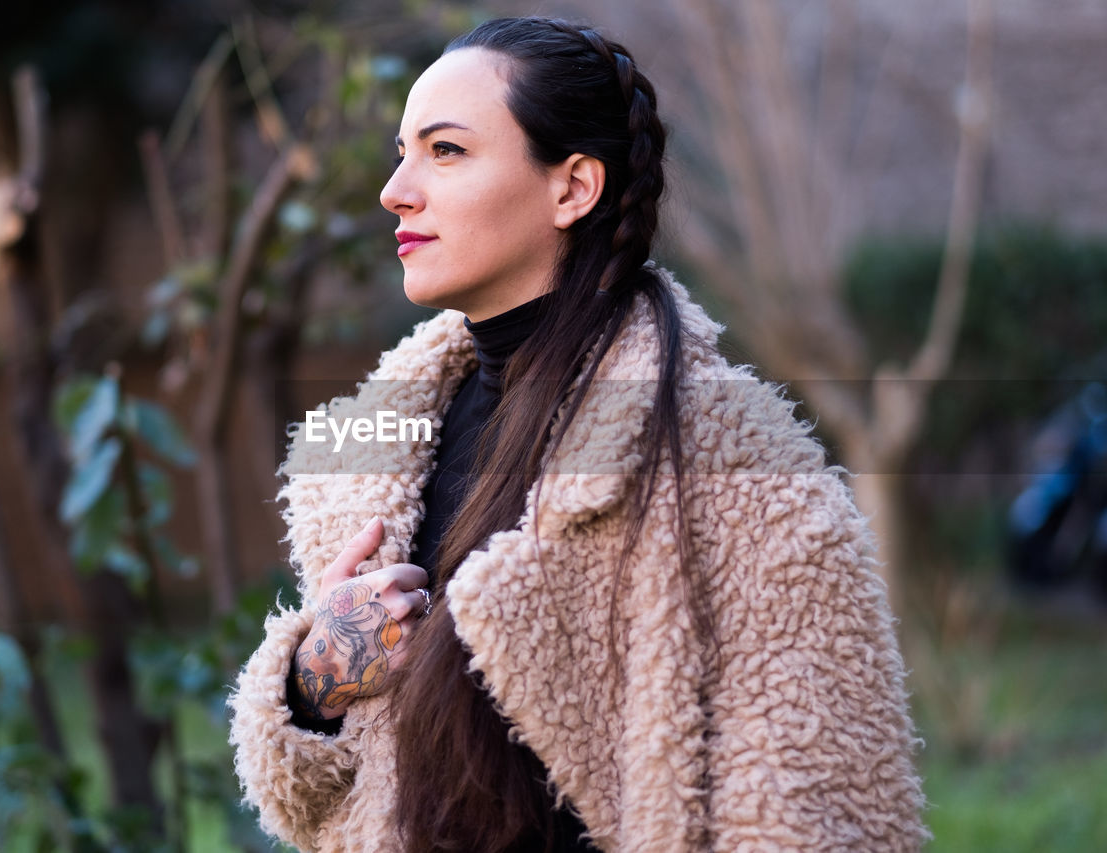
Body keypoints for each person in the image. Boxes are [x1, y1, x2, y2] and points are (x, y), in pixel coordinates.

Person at [230, 15, 930, 853]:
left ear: (573, 188)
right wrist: (312, 685)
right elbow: (333, 806)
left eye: (445, 151)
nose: (396, 189)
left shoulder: (740, 467)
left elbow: (825, 814)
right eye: (401, 150)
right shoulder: (379, 452)